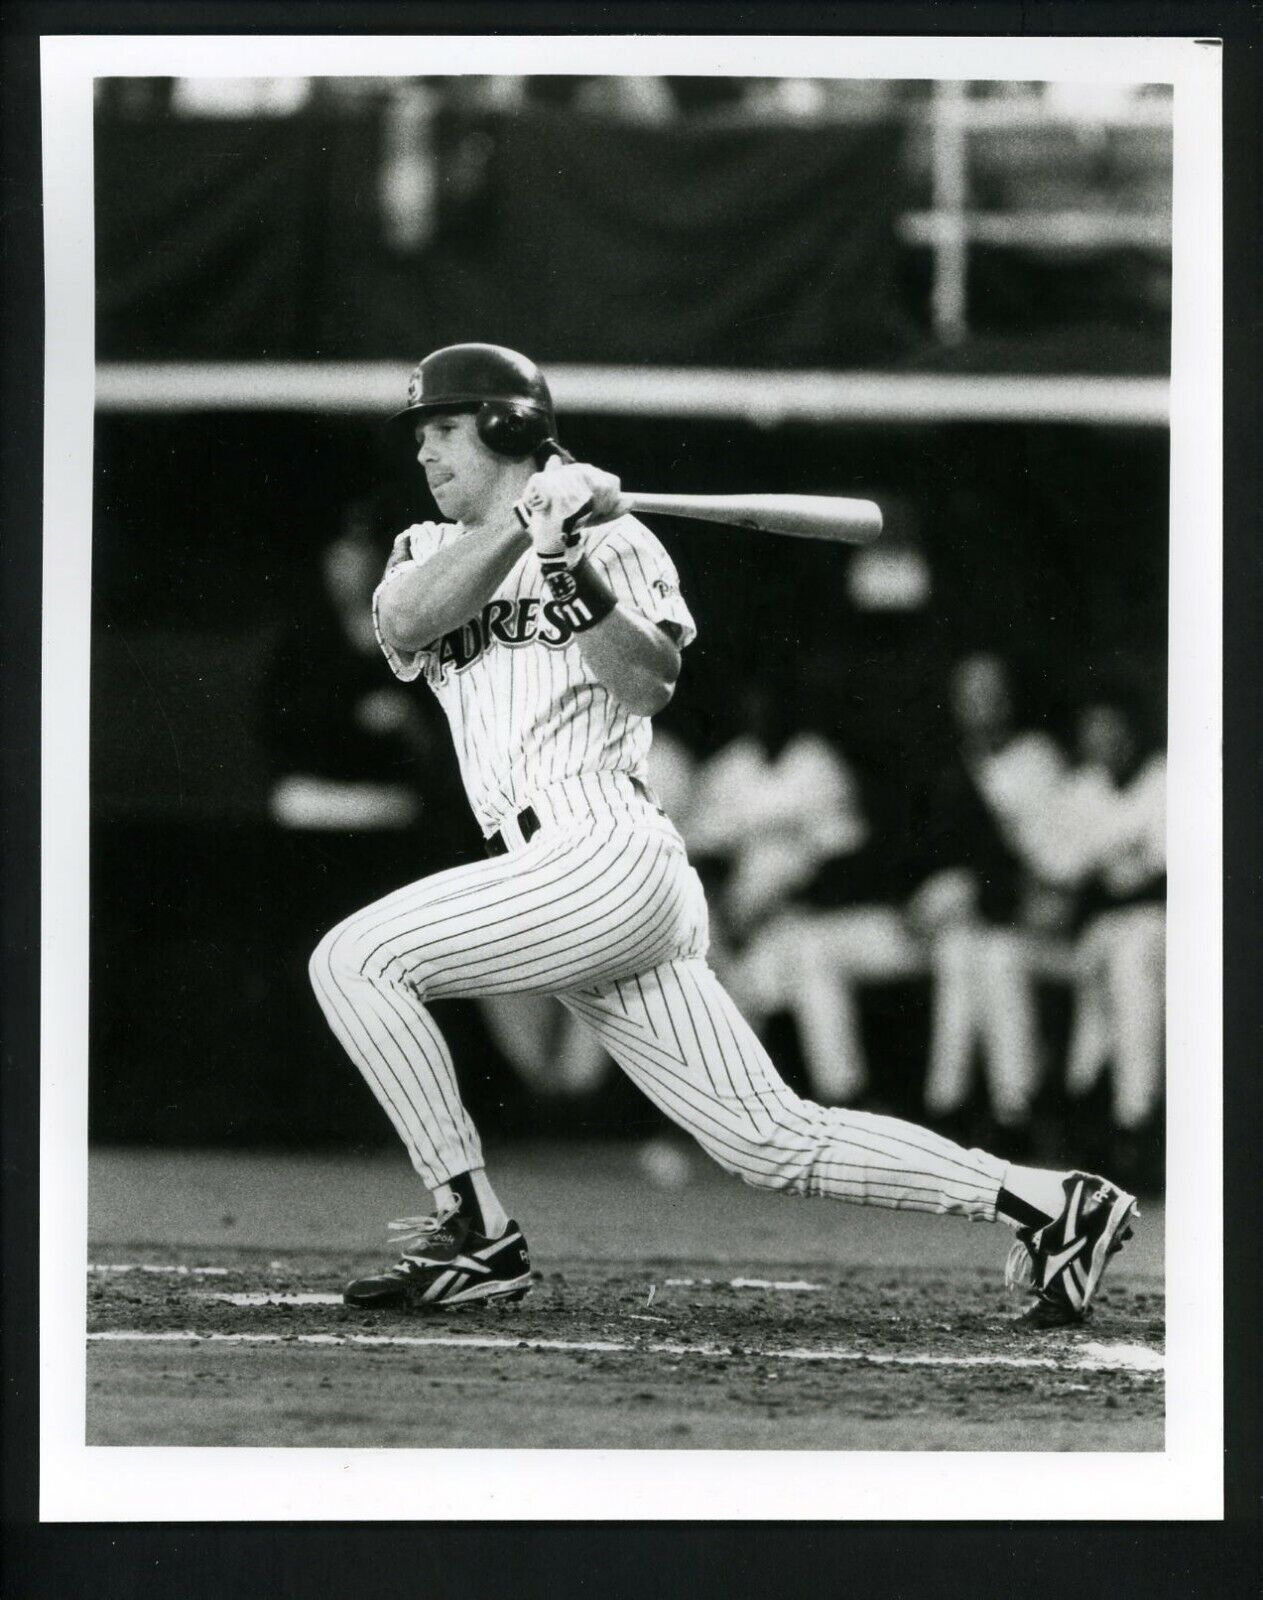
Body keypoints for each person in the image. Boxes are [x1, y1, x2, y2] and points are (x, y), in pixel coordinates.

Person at [308, 343, 1136, 1327]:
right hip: (552, 871)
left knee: (354, 959)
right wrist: (521, 530)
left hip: (603, 848)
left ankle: (472, 1226)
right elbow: (403, 621)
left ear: (508, 427)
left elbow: (648, 681)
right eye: (423, 438)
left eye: (444, 430)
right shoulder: (421, 548)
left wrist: (569, 563)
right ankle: (1053, 1203)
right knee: (767, 1139)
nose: (426, 455)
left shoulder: (618, 545)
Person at [908, 653, 1070, 1140]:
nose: (983, 705)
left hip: (1040, 914)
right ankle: (950, 1108)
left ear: (1011, 699)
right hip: (980, 917)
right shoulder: (953, 763)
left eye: (992, 693)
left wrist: (981, 889)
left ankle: (1013, 1111)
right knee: (961, 954)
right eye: (971, 695)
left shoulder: (1038, 758)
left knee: (997, 958)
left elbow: (1045, 864)